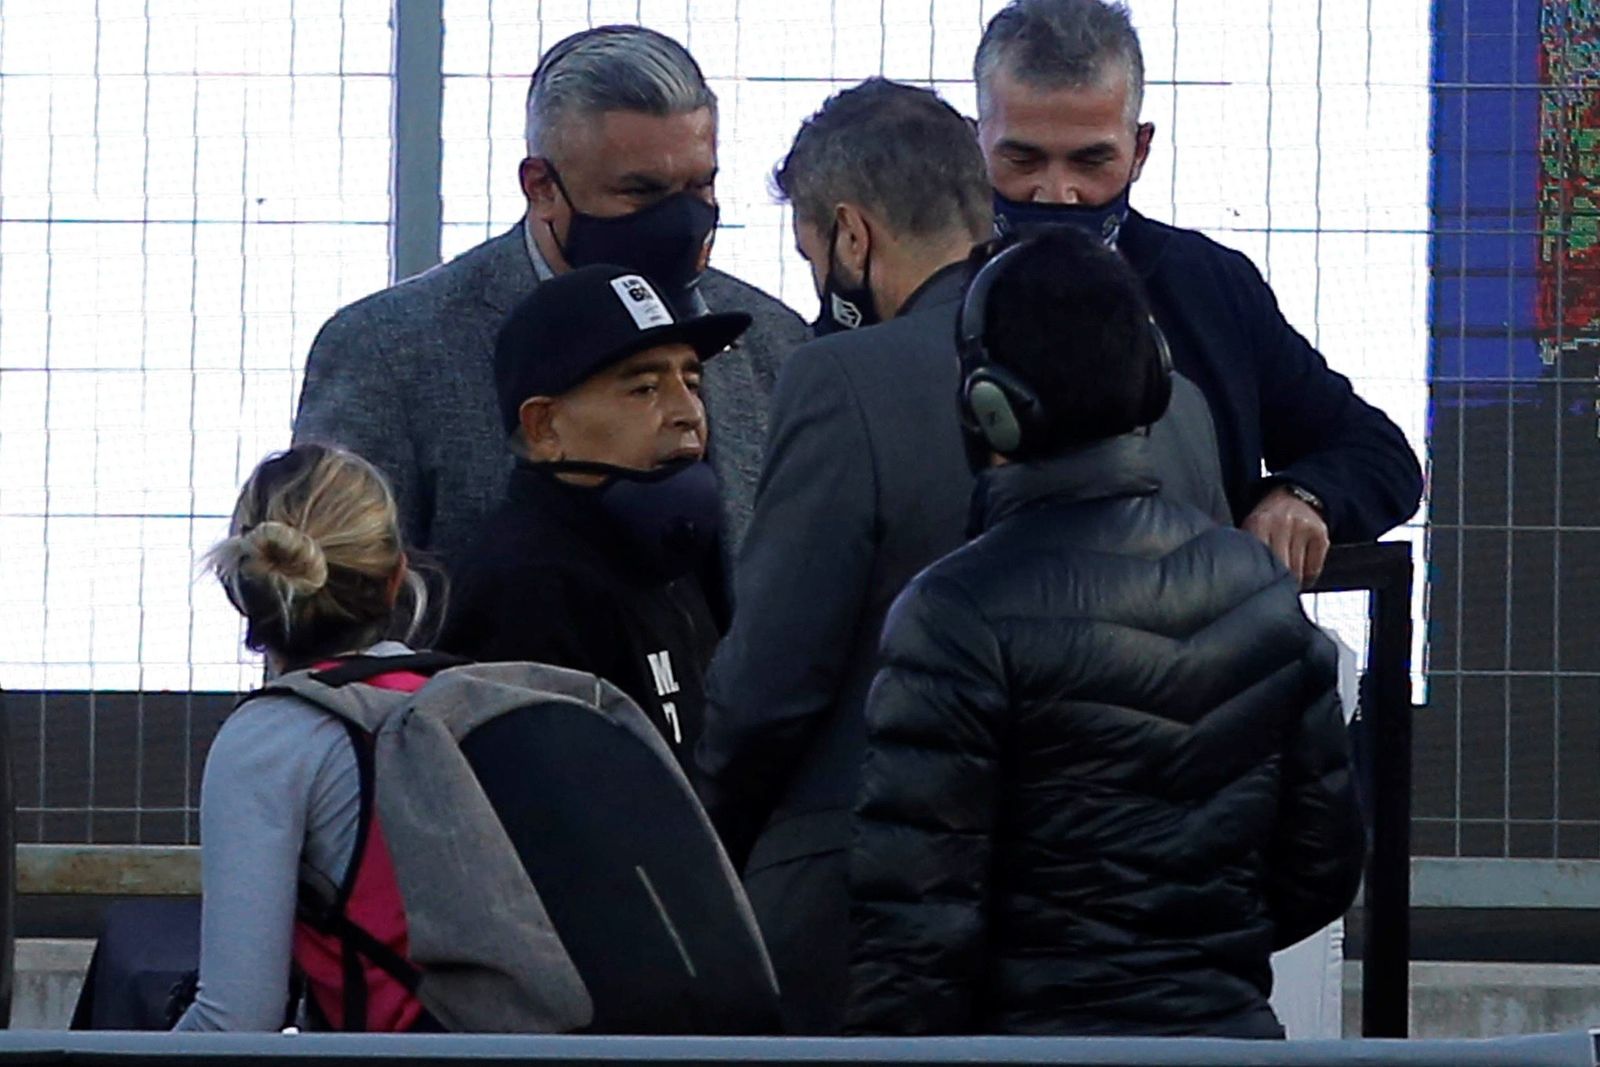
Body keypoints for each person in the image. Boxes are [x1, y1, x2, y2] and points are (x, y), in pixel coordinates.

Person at [695, 77, 1229, 1034]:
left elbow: (772, 681)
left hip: (872, 926)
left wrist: (706, 838)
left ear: (852, 236)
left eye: (814, 249)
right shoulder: (1179, 404)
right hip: (1140, 929)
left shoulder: (840, 381)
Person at [846, 228, 1366, 1037]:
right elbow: (1323, 864)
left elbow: (916, 931)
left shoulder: (953, 614)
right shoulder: (1259, 589)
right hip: (1227, 1039)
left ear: (987, 402)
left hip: (1032, 1051)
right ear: (1155, 379)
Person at [293, 25, 808, 578]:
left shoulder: (773, 344)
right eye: (640, 192)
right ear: (541, 186)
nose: (681, 221)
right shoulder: (389, 351)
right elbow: (326, 599)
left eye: (699, 188)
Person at [975, 0, 1424, 584]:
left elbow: (1377, 454)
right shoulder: (921, 290)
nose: (1058, 193)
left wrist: (1303, 497)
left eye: (1091, 162)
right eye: (1023, 158)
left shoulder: (1211, 289)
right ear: (975, 143)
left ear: (1140, 151)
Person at [439, 265, 748, 772]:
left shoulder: (659, 552)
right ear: (543, 427)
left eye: (691, 382)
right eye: (644, 389)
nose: (687, 412)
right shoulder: (525, 585)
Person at [177, 444, 437, 1030]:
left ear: (240, 584)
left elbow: (234, 1020)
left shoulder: (273, 738)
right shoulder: (460, 700)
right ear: (397, 578)